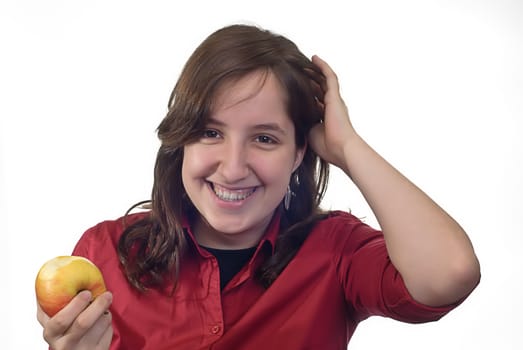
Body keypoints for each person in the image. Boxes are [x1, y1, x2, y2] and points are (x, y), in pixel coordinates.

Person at [36, 24, 480, 350]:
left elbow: (451, 273)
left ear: (300, 152)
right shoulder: (105, 251)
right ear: (182, 141)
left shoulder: (335, 252)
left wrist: (346, 147)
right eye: (210, 133)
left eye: (265, 138)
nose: (232, 169)